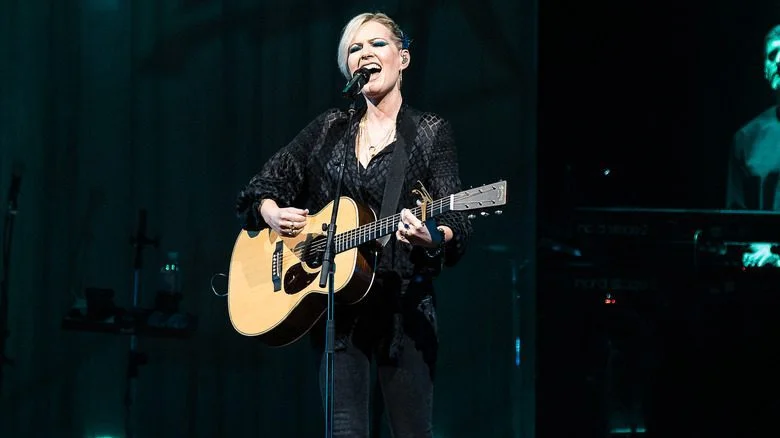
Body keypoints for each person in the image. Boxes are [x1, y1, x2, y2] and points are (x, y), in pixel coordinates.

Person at [234, 11, 472, 437]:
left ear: (403, 58)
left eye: (377, 44)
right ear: (348, 69)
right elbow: (263, 185)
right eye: (355, 49)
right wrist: (271, 211)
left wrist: (431, 235)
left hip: (405, 310)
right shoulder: (330, 129)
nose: (365, 54)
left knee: (412, 431)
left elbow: (455, 220)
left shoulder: (429, 132)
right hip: (338, 313)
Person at [726, 24, 780, 267]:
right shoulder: (747, 137)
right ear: (765, 70)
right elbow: (736, 221)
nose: (779, 59)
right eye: (772, 54)